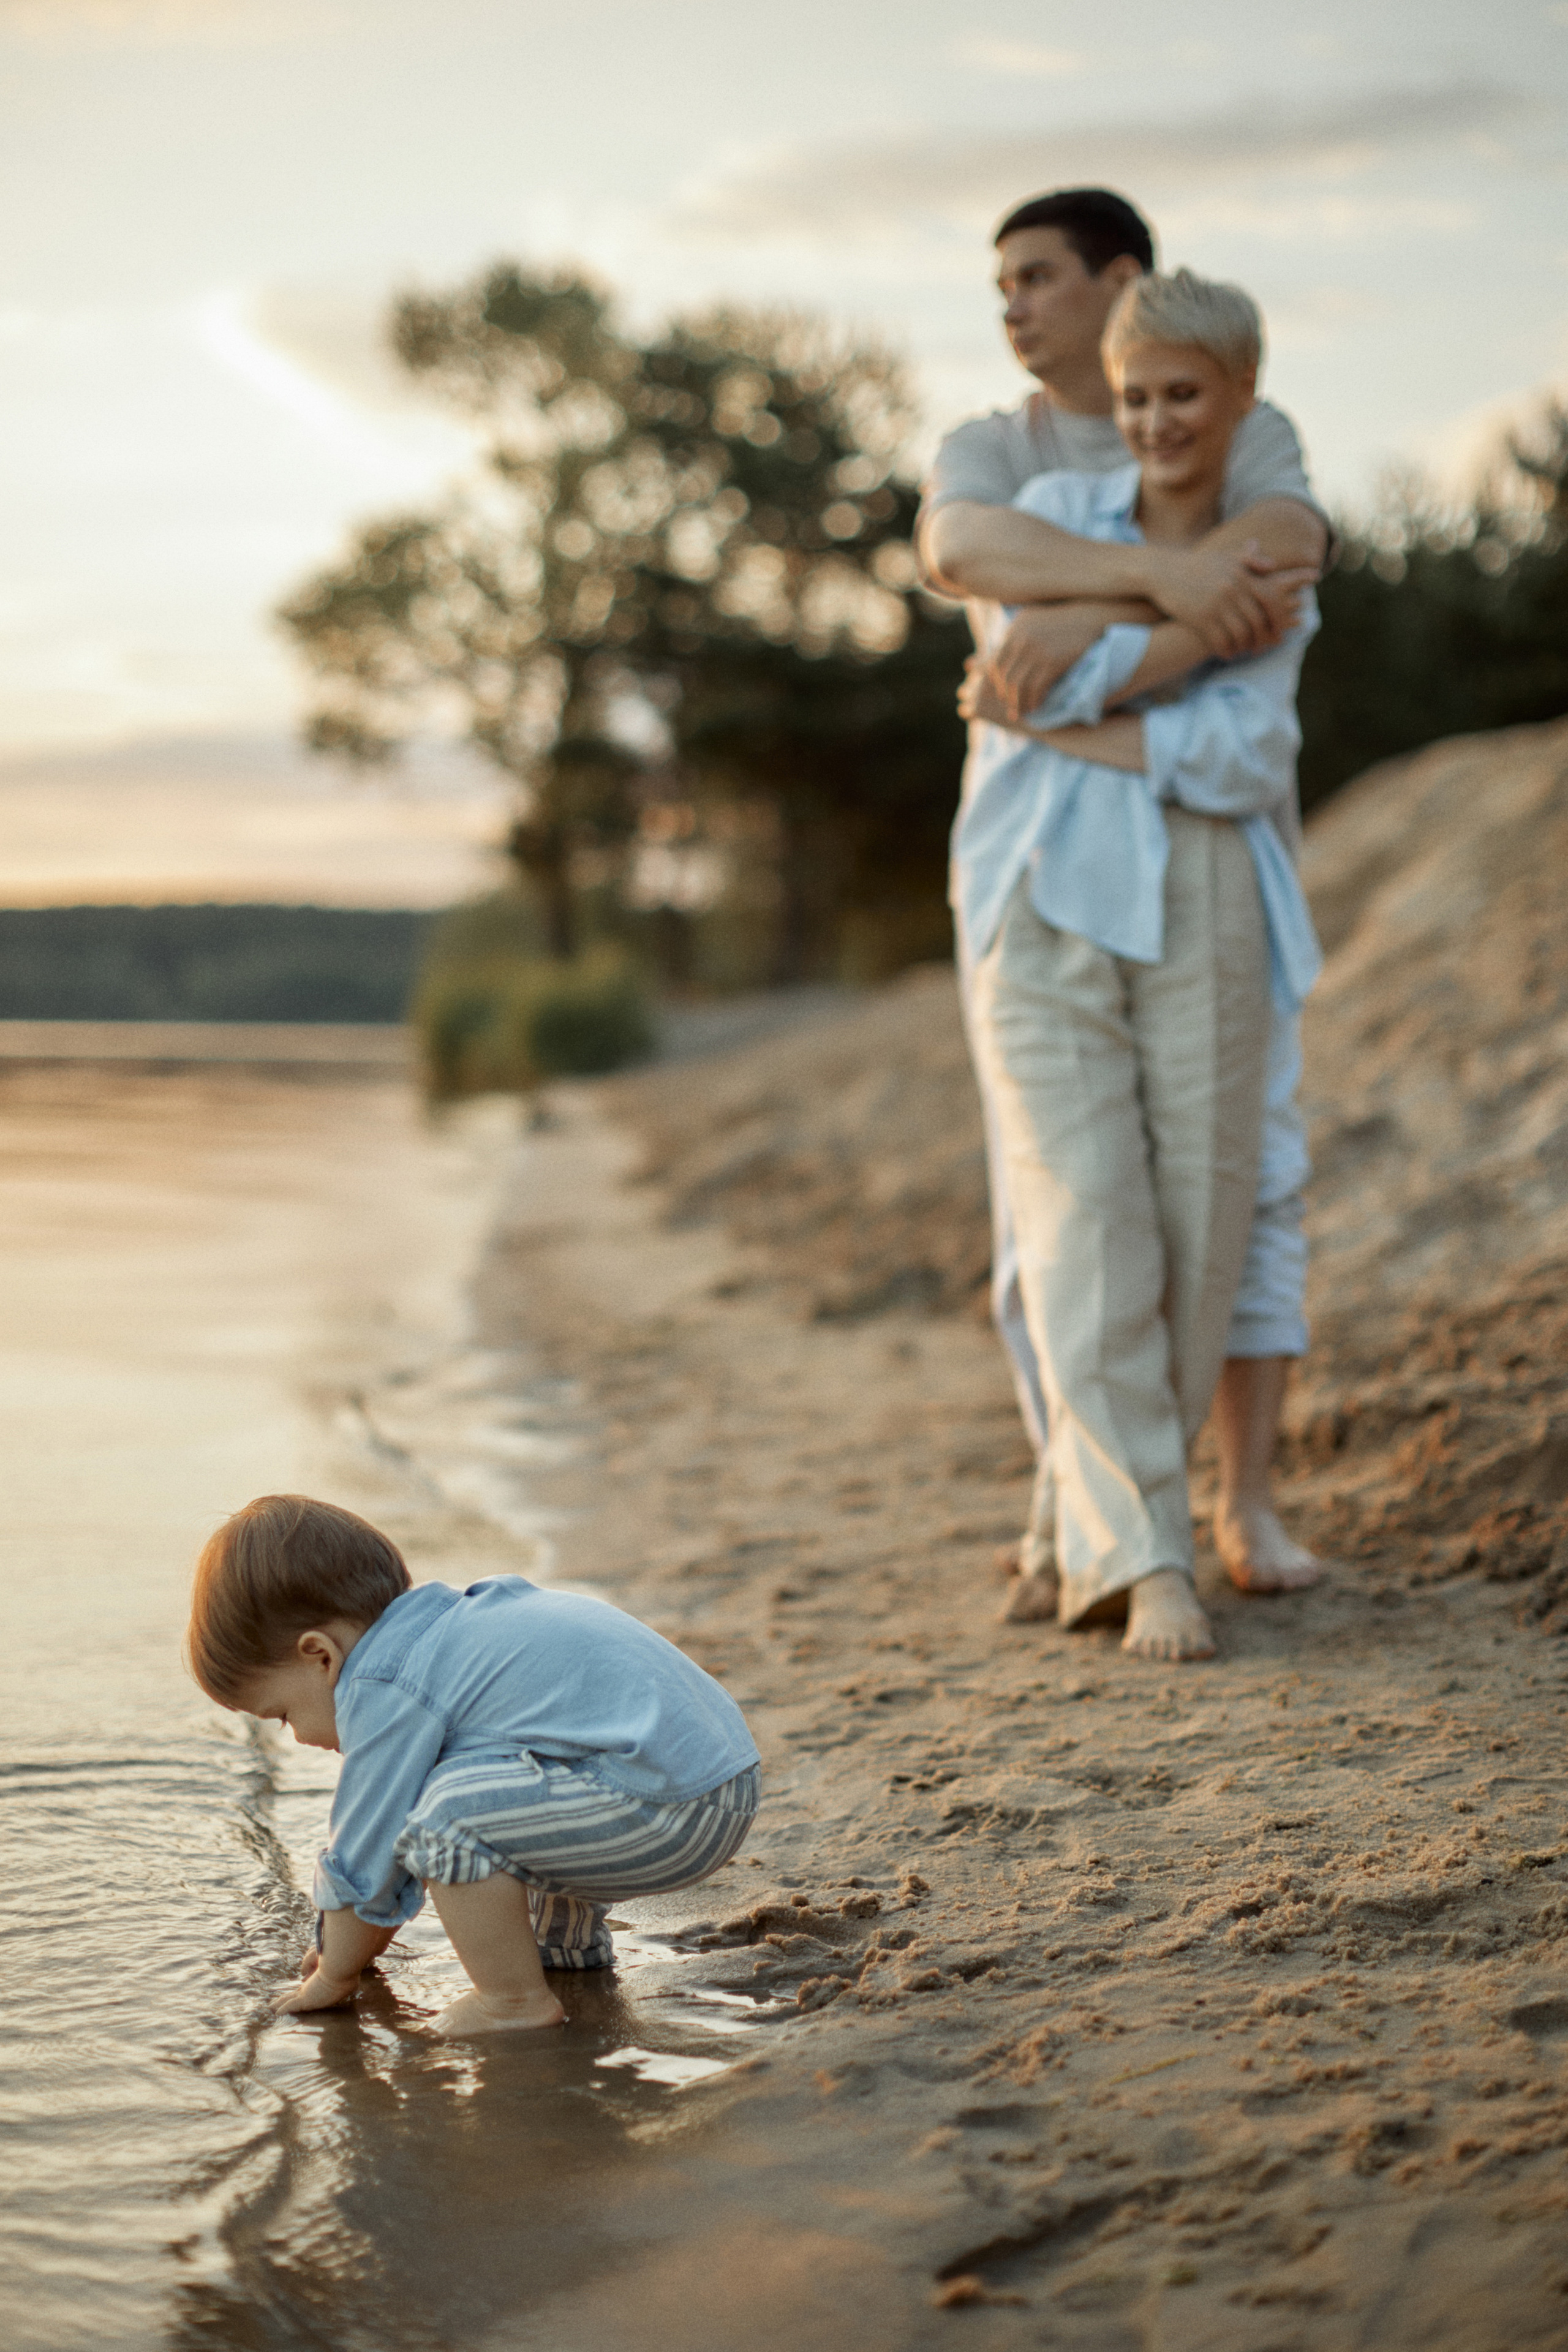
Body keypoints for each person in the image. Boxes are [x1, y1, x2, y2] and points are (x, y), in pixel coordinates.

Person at [919, 189, 1328, 1623]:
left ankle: (1155, 1510)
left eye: (1037, 277)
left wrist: (1094, 642)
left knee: (1213, 1203)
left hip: (1211, 868)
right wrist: (1168, 588)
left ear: (1121, 283)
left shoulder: (1238, 419)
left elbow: (1277, 566)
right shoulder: (1008, 462)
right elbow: (973, 580)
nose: (1012, 307)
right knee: (1062, 1216)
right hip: (1034, 867)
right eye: (1000, 284)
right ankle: (1105, 1520)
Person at [187, 1495, 760, 2035]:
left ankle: (512, 2003)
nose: (299, 1737)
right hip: (715, 1776)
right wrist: (353, 1948)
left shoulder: (384, 1683)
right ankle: (564, 1952)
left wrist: (336, 1971)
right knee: (508, 1780)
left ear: (321, 1655)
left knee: (450, 1814)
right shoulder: (451, 1635)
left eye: (284, 1715)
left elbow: (370, 1845)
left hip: (673, 1807)